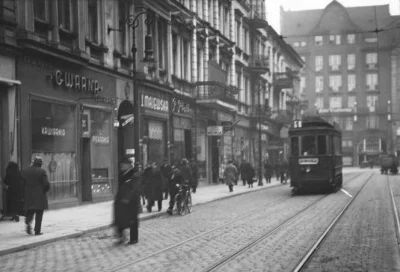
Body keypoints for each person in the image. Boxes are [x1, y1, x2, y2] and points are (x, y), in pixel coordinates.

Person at [114, 157, 141, 245]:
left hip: (132, 201)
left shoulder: (135, 174)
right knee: (120, 218)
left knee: (133, 220)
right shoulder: (121, 174)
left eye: (124, 165)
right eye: (121, 165)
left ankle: (134, 238)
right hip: (121, 200)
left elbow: (134, 188)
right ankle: (121, 237)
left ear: (129, 165)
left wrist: (127, 198)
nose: (122, 166)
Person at [23, 157, 50, 236]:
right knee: (39, 213)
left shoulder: (26, 171)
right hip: (40, 195)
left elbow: (22, 183)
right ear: (40, 164)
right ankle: (37, 231)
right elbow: (46, 184)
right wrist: (44, 190)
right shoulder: (42, 171)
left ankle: (28, 222)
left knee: (30, 210)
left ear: (33, 163)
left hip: (28, 195)